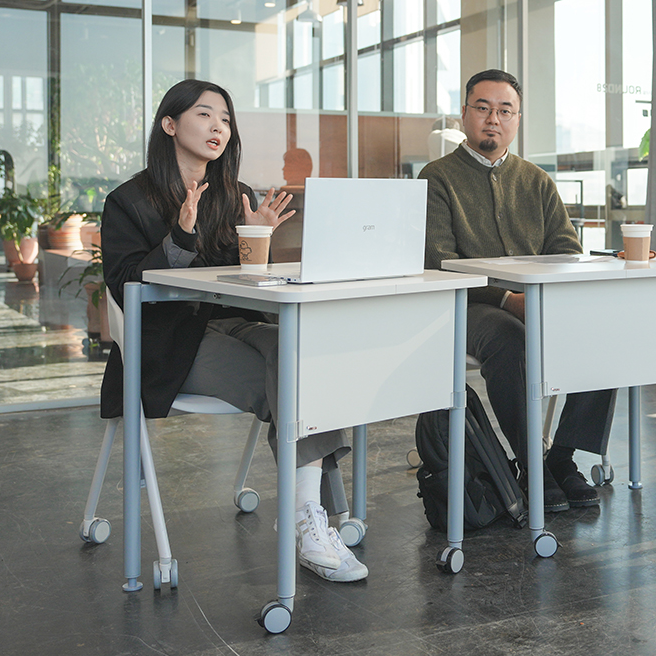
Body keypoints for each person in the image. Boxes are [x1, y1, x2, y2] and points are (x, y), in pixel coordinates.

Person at [99, 79, 366, 582]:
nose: (218, 126)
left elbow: (242, 283)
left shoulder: (234, 194)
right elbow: (126, 286)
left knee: (304, 354)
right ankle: (312, 519)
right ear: (170, 125)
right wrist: (178, 235)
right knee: (292, 381)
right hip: (168, 345)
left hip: (235, 322)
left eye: (224, 117)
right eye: (204, 115)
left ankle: (306, 516)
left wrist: (258, 238)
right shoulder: (127, 201)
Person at [420, 69, 617, 512]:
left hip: (537, 301)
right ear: (464, 115)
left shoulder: (537, 181)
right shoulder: (438, 177)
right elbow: (437, 261)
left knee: (603, 334)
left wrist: (545, 296)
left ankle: (561, 457)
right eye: (483, 108)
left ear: (517, 119)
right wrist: (508, 299)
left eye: (504, 110)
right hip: (468, 305)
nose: (493, 119)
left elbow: (565, 249)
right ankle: (532, 466)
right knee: (511, 342)